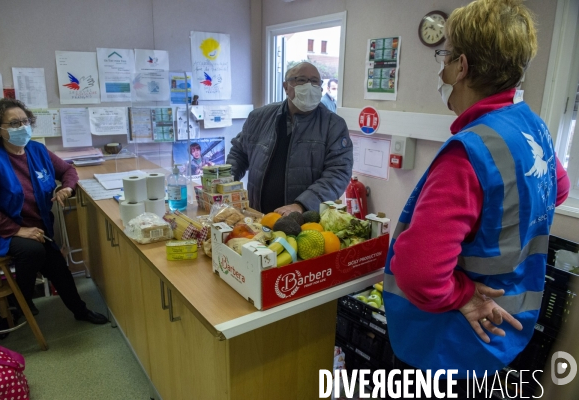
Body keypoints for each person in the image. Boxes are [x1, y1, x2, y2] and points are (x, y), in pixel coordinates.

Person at [383, 0, 570, 398]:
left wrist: (465, 295)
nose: (442, 68)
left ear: (462, 66)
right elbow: (559, 187)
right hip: (507, 336)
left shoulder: (469, 153)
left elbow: (418, 272)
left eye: (444, 56)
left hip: (447, 350)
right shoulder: (531, 125)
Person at [0, 98, 107, 324]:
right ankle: (20, 304)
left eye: (25, 121)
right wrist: (17, 231)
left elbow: (68, 170)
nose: (22, 127)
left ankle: (79, 311)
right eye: (14, 123)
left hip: (36, 228)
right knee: (34, 251)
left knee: (57, 264)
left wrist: (66, 188)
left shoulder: (37, 150)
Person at [227, 62, 353, 215]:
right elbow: (239, 153)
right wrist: (225, 183)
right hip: (258, 216)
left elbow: (338, 174)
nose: (309, 86)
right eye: (301, 80)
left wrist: (301, 205)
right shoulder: (259, 117)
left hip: (305, 221)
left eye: (314, 81)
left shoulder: (334, 126)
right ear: (286, 87)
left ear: (320, 88)